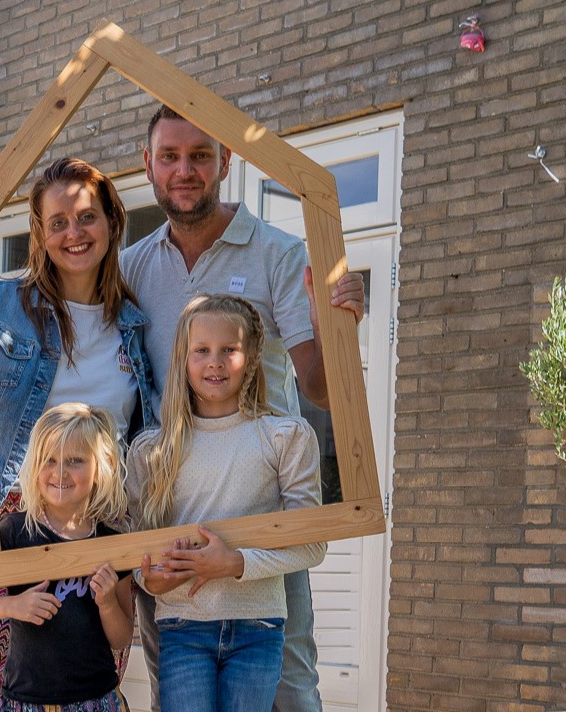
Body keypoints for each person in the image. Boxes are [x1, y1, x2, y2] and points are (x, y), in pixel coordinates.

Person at [121, 105, 365, 712]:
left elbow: (316, 386)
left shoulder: (278, 253)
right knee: (174, 691)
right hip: (177, 511)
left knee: (288, 686)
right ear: (147, 165)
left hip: (266, 516)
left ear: (226, 161)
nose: (185, 170)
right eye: (170, 156)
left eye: (201, 155)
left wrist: (337, 333)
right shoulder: (130, 268)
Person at [0, 157, 157, 712]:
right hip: (3, 520)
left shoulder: (134, 324)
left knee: (78, 692)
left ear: (112, 221)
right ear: (39, 233)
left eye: (86, 217)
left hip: (96, 527)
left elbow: (149, 436)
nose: (73, 233)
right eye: (57, 221)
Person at [128, 295, 326, 712]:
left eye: (229, 350)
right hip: (182, 626)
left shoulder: (285, 437)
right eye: (201, 351)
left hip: (258, 627)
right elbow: (138, 555)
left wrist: (234, 564)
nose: (214, 362)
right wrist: (152, 581)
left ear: (251, 358)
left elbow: (312, 545)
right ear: (182, 358)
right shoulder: (152, 450)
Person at [0, 402, 136, 712]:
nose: (60, 472)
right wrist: (13, 605)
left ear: (100, 466)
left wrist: (106, 603)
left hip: (96, 702)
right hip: (26, 703)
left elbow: (120, 639)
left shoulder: (112, 544)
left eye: (75, 461)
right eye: (48, 460)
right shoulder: (14, 531)